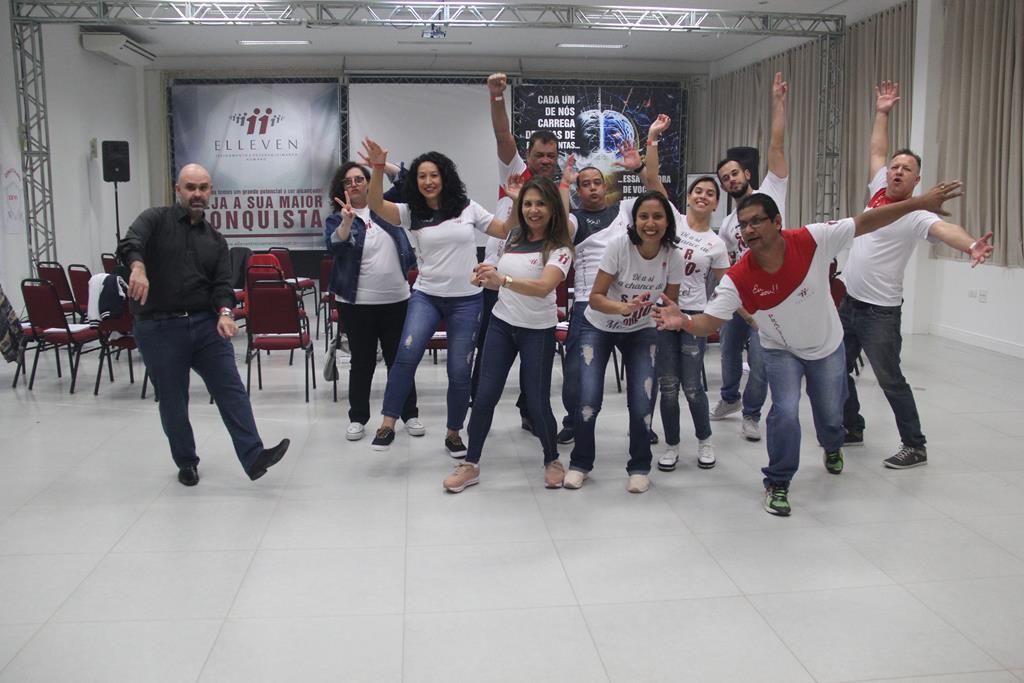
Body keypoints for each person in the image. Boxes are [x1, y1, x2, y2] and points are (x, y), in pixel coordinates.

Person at [653, 182, 963, 516]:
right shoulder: (739, 277)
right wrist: (684, 320)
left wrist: (918, 204)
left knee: (830, 416)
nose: (749, 230)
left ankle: (832, 445)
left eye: (756, 221)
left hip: (826, 347)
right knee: (785, 412)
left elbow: (866, 222)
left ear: (777, 222)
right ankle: (777, 481)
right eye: (743, 225)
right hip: (780, 349)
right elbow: (711, 322)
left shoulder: (813, 239)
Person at [840, 82, 994, 469]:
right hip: (849, 302)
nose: (896, 171)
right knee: (835, 370)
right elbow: (877, 150)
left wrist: (971, 245)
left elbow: (945, 229)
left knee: (890, 380)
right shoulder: (878, 190)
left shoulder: (917, 214)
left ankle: (915, 445)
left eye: (906, 169)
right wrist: (882, 113)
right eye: (895, 167)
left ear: (916, 181)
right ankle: (852, 427)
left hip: (879, 313)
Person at [117, 163, 290, 486]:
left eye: (203, 188)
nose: (197, 194)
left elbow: (222, 286)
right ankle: (186, 462)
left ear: (210, 191)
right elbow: (131, 242)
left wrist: (225, 313)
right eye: (190, 187)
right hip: (159, 327)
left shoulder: (215, 241)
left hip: (205, 324)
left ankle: (253, 456)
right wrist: (137, 268)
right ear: (177, 190)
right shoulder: (155, 219)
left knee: (231, 388)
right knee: (173, 400)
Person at [362, 138, 513, 455]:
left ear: (445, 177)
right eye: (421, 176)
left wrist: (515, 202)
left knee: (459, 370)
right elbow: (375, 204)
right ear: (415, 182)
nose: (428, 181)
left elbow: (502, 230)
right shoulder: (409, 212)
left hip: (467, 300)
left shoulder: (468, 207)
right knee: (406, 356)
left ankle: (454, 432)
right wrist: (377, 168)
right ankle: (388, 424)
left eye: (434, 175)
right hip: (426, 297)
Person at [444, 177, 574, 492]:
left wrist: (502, 280)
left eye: (540, 204)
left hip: (537, 330)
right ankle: (471, 464)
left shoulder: (559, 247)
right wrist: (483, 273)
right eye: (527, 204)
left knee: (537, 400)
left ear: (552, 208)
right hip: (502, 324)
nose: (533, 210)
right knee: (485, 396)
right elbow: (496, 266)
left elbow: (543, 286)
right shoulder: (514, 235)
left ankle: (552, 459)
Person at [565, 190, 685, 494]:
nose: (650, 223)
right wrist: (623, 308)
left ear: (667, 222)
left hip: (641, 330)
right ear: (634, 221)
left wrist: (667, 315)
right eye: (643, 216)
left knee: (643, 401)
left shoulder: (673, 256)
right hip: (599, 326)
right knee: (588, 400)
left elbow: (670, 304)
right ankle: (580, 463)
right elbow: (595, 298)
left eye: (657, 217)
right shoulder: (619, 246)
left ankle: (640, 466)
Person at [711, 71, 791, 442]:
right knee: (728, 350)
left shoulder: (772, 192)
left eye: (734, 174)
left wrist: (777, 103)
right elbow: (728, 266)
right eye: (725, 179)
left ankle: (752, 413)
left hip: (771, 296)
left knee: (759, 359)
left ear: (746, 173)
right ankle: (729, 398)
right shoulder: (729, 224)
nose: (731, 181)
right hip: (740, 298)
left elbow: (777, 147)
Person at [323, 160, 425, 442]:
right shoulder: (336, 218)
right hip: (356, 303)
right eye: (347, 181)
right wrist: (346, 222)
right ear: (342, 189)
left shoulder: (384, 206)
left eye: (359, 179)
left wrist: (383, 166)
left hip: (397, 299)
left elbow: (408, 185)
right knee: (362, 361)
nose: (354, 184)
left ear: (369, 183)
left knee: (400, 360)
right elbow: (335, 246)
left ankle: (409, 413)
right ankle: (358, 418)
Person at [648, 167, 731, 472]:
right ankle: (671, 445)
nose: (702, 196)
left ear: (715, 203)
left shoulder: (716, 244)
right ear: (689, 197)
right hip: (663, 313)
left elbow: (728, 285)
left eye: (710, 193)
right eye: (698, 191)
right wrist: (652, 143)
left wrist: (746, 315)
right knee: (668, 386)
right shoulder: (675, 222)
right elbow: (653, 181)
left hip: (693, 316)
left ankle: (705, 441)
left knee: (693, 386)